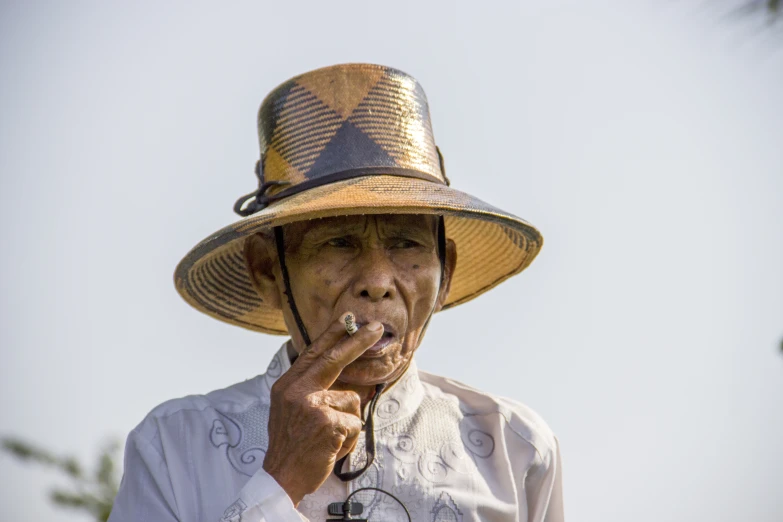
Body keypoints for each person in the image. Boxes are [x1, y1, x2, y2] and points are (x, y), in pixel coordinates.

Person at [108, 63, 564, 522]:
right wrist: (279, 482)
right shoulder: (174, 447)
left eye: (406, 243)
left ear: (445, 274)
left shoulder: (514, 449)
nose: (378, 282)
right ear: (269, 271)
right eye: (339, 243)